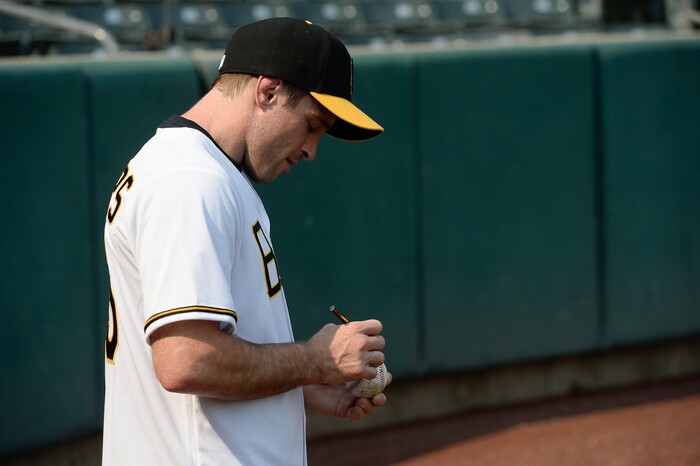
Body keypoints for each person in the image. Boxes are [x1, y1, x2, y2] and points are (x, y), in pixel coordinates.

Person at [102, 17, 390, 466]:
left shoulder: (202, 171)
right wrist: (316, 361)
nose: (313, 149)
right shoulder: (190, 180)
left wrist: (299, 384)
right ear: (267, 91)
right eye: (313, 124)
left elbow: (212, 354)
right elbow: (186, 361)